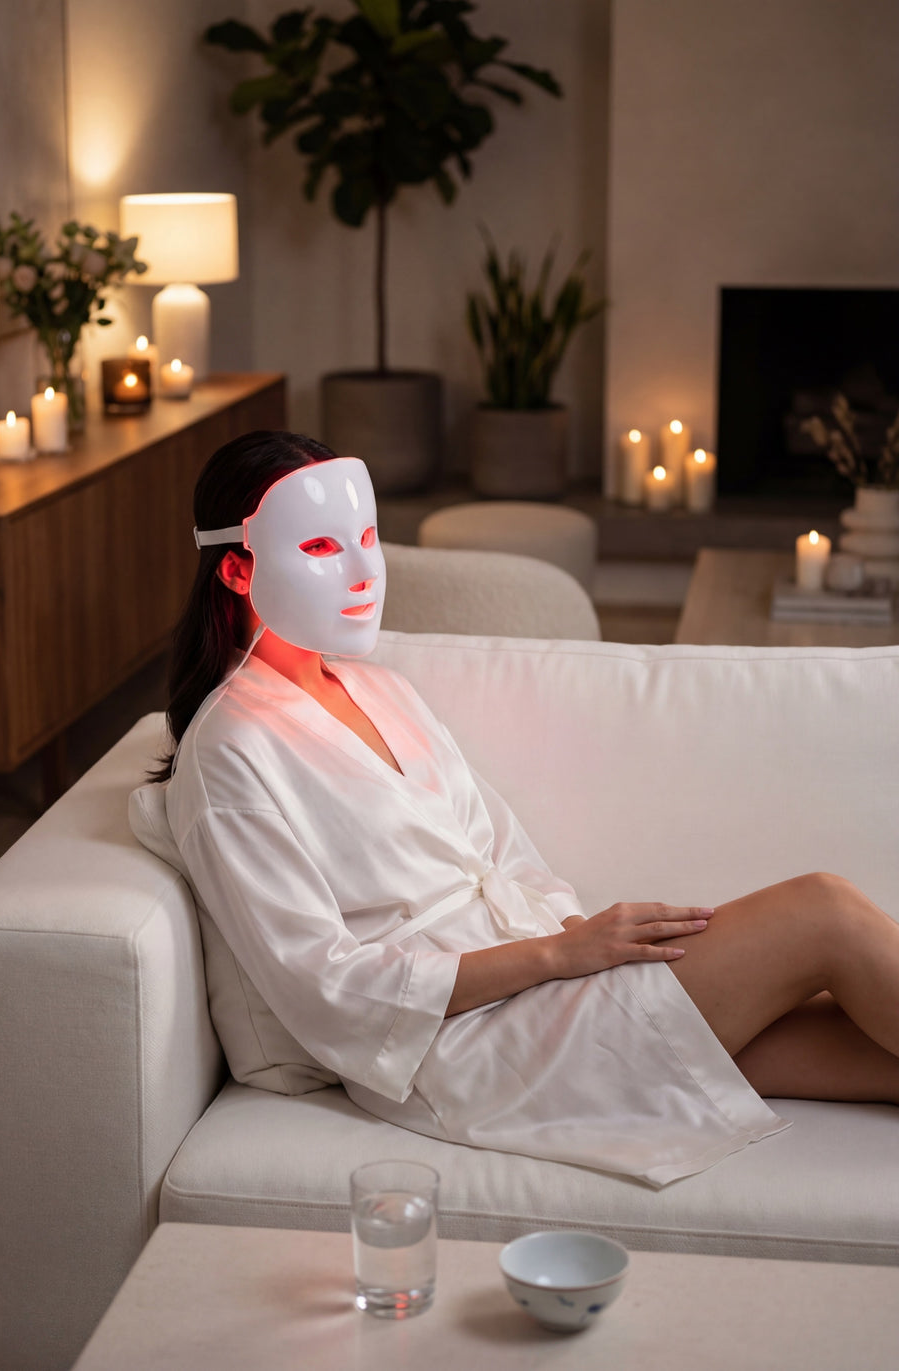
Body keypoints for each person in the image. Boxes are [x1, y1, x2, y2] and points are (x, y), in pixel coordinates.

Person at [131, 429, 899, 1188]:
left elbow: (503, 850)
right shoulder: (229, 751)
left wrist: (579, 940)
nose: (363, 571)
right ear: (237, 568)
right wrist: (559, 957)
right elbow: (322, 984)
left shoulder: (380, 688)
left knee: (863, 1041)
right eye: (323, 547)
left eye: (367, 538)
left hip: (549, 984)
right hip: (464, 1041)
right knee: (824, 910)